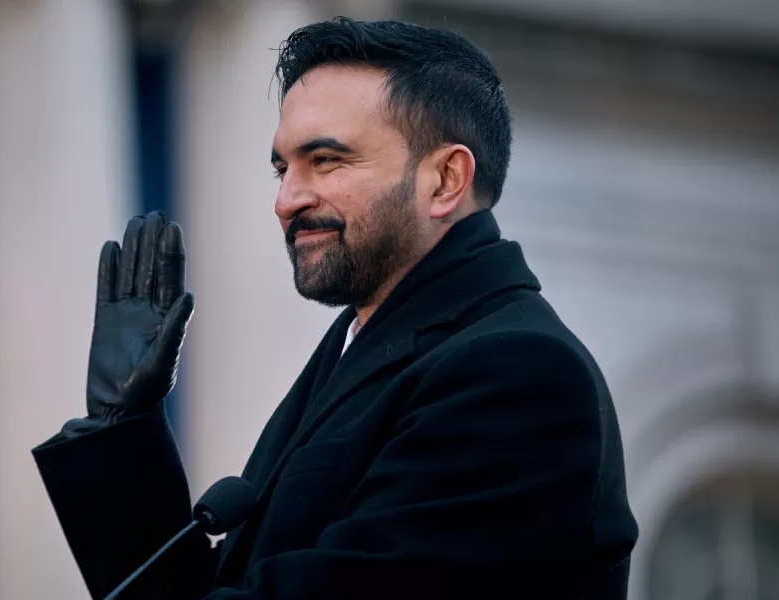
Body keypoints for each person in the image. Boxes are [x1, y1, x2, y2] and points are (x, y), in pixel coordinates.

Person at [33, 17, 638, 599]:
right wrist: (123, 435)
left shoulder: (518, 375)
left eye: (326, 160)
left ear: (447, 179)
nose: (286, 199)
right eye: (282, 167)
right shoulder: (364, 347)